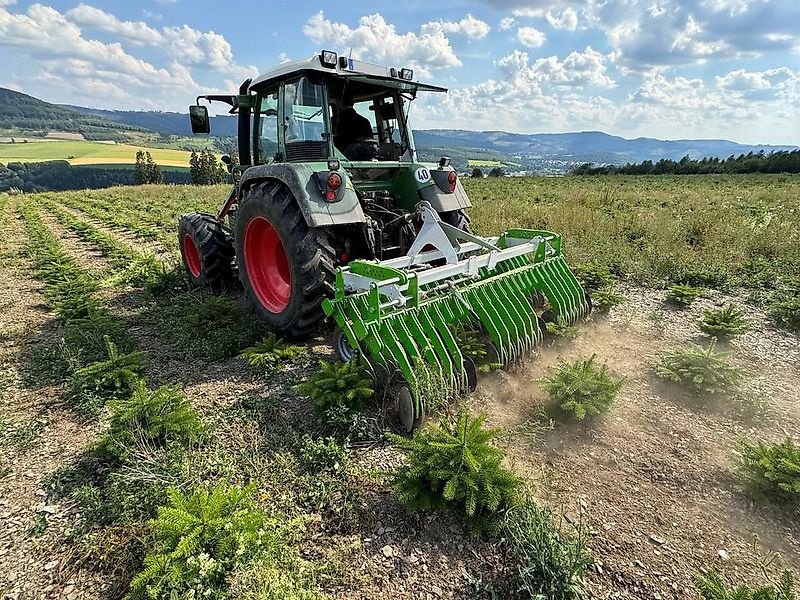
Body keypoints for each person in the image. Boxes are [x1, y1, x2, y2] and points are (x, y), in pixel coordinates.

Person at [331, 95, 377, 160]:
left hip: (344, 158)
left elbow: (336, 142)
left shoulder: (335, 121)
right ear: (353, 103)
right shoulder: (365, 121)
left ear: (339, 103)